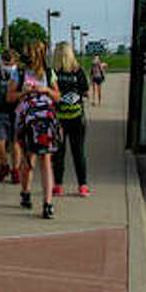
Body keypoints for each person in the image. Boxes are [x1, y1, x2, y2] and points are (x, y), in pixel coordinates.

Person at [8, 40, 61, 219]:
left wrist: (45, 89)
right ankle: (26, 191)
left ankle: (48, 203)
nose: (29, 56)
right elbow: (10, 97)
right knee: (28, 159)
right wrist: (25, 92)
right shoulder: (19, 73)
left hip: (44, 121)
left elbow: (57, 96)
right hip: (26, 121)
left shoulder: (48, 73)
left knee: (45, 159)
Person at [51, 43, 90, 198]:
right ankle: (82, 186)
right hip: (77, 116)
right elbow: (86, 91)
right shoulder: (78, 71)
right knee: (78, 152)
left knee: (58, 154)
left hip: (58, 118)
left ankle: (58, 185)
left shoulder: (53, 73)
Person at [0, 49, 21, 184]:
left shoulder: (19, 74)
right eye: (5, 60)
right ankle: (4, 165)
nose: (7, 63)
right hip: (0, 111)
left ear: (15, 61)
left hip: (15, 112)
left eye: (10, 60)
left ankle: (16, 169)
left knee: (15, 143)